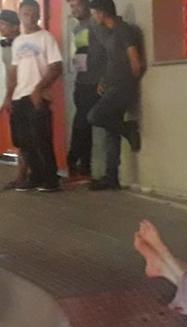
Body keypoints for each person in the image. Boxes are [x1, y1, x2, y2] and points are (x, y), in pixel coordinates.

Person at [3, 0, 62, 192]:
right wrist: (9, 96)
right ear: (20, 16)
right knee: (24, 141)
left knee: (41, 139)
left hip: (38, 97)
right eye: (25, 14)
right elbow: (14, 71)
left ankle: (51, 180)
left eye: (33, 14)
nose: (29, 18)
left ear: (38, 15)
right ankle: (35, 176)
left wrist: (39, 88)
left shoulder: (46, 38)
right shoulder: (19, 42)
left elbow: (56, 67)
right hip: (19, 96)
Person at [87, 0, 144, 191]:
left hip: (121, 87)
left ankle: (128, 129)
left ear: (102, 12)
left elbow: (135, 62)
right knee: (111, 132)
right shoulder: (110, 33)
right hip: (112, 85)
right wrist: (104, 81)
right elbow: (113, 61)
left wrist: (127, 83)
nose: (93, 16)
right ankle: (111, 177)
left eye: (94, 12)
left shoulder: (124, 31)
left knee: (94, 116)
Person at [66, 0, 105, 183]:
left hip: (95, 82)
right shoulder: (76, 28)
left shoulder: (96, 25)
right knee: (84, 124)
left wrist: (103, 78)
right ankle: (84, 167)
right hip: (81, 81)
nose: (74, 9)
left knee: (82, 122)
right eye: (71, 6)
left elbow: (104, 53)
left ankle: (73, 160)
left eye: (77, 5)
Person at [0, 9, 30, 190]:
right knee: (19, 138)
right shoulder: (4, 45)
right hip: (10, 95)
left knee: (24, 138)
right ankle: (22, 174)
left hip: (22, 95)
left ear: (15, 26)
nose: (1, 28)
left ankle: (24, 175)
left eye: (3, 25)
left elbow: (16, 75)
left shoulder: (24, 45)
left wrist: (8, 97)